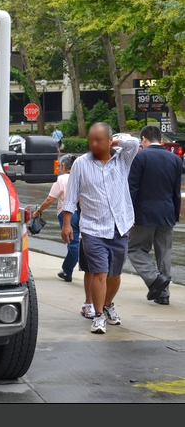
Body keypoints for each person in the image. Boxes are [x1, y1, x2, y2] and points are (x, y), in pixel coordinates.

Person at [61, 122, 138, 334]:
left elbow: (134, 142)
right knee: (99, 272)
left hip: (119, 225)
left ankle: (107, 304)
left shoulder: (122, 159)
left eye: (99, 140)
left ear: (109, 140)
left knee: (115, 275)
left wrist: (114, 141)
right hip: (93, 227)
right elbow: (70, 196)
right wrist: (67, 223)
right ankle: (98, 315)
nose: (94, 144)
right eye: (91, 140)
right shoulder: (81, 164)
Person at [127, 125, 181, 305]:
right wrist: (175, 213)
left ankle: (154, 279)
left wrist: (129, 213)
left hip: (144, 212)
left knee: (135, 248)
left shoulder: (140, 156)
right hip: (167, 212)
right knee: (164, 252)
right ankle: (163, 294)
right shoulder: (174, 159)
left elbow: (132, 188)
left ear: (143, 139)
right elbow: (176, 190)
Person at [32, 153, 79, 282]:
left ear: (63, 166)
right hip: (84, 213)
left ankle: (94, 269)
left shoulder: (61, 179)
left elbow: (50, 199)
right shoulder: (81, 177)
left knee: (73, 244)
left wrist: (39, 211)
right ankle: (67, 270)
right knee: (77, 243)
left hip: (68, 214)